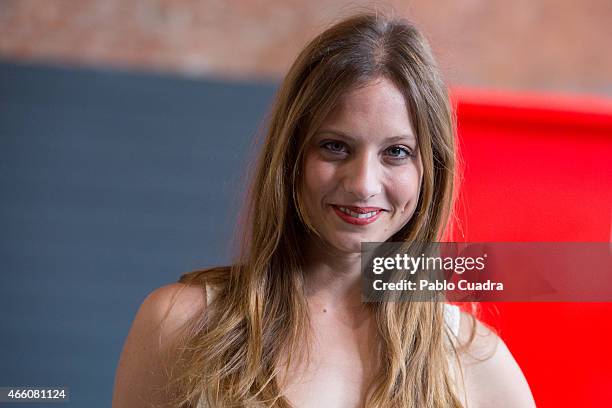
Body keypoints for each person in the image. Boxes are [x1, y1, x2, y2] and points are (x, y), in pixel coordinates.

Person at [113, 12, 535, 408]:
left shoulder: (475, 361)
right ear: (291, 156)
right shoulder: (181, 325)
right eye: (335, 146)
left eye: (397, 152)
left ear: (432, 170)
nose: (362, 184)